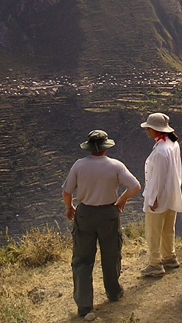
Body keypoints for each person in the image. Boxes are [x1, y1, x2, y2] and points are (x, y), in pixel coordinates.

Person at [62, 130, 141, 317]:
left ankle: (84, 304)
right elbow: (135, 186)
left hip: (85, 214)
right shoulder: (115, 166)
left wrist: (69, 208)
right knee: (111, 253)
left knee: (82, 259)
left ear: (89, 147)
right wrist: (121, 200)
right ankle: (113, 292)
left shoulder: (79, 166)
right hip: (108, 214)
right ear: (106, 147)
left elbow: (67, 191)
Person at [140, 113, 182, 277]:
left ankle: (155, 263)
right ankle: (169, 256)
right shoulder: (173, 143)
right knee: (168, 228)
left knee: (153, 231)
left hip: (159, 197)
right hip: (172, 193)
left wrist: (153, 198)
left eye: (149, 128)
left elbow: (157, 179)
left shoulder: (160, 151)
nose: (148, 131)